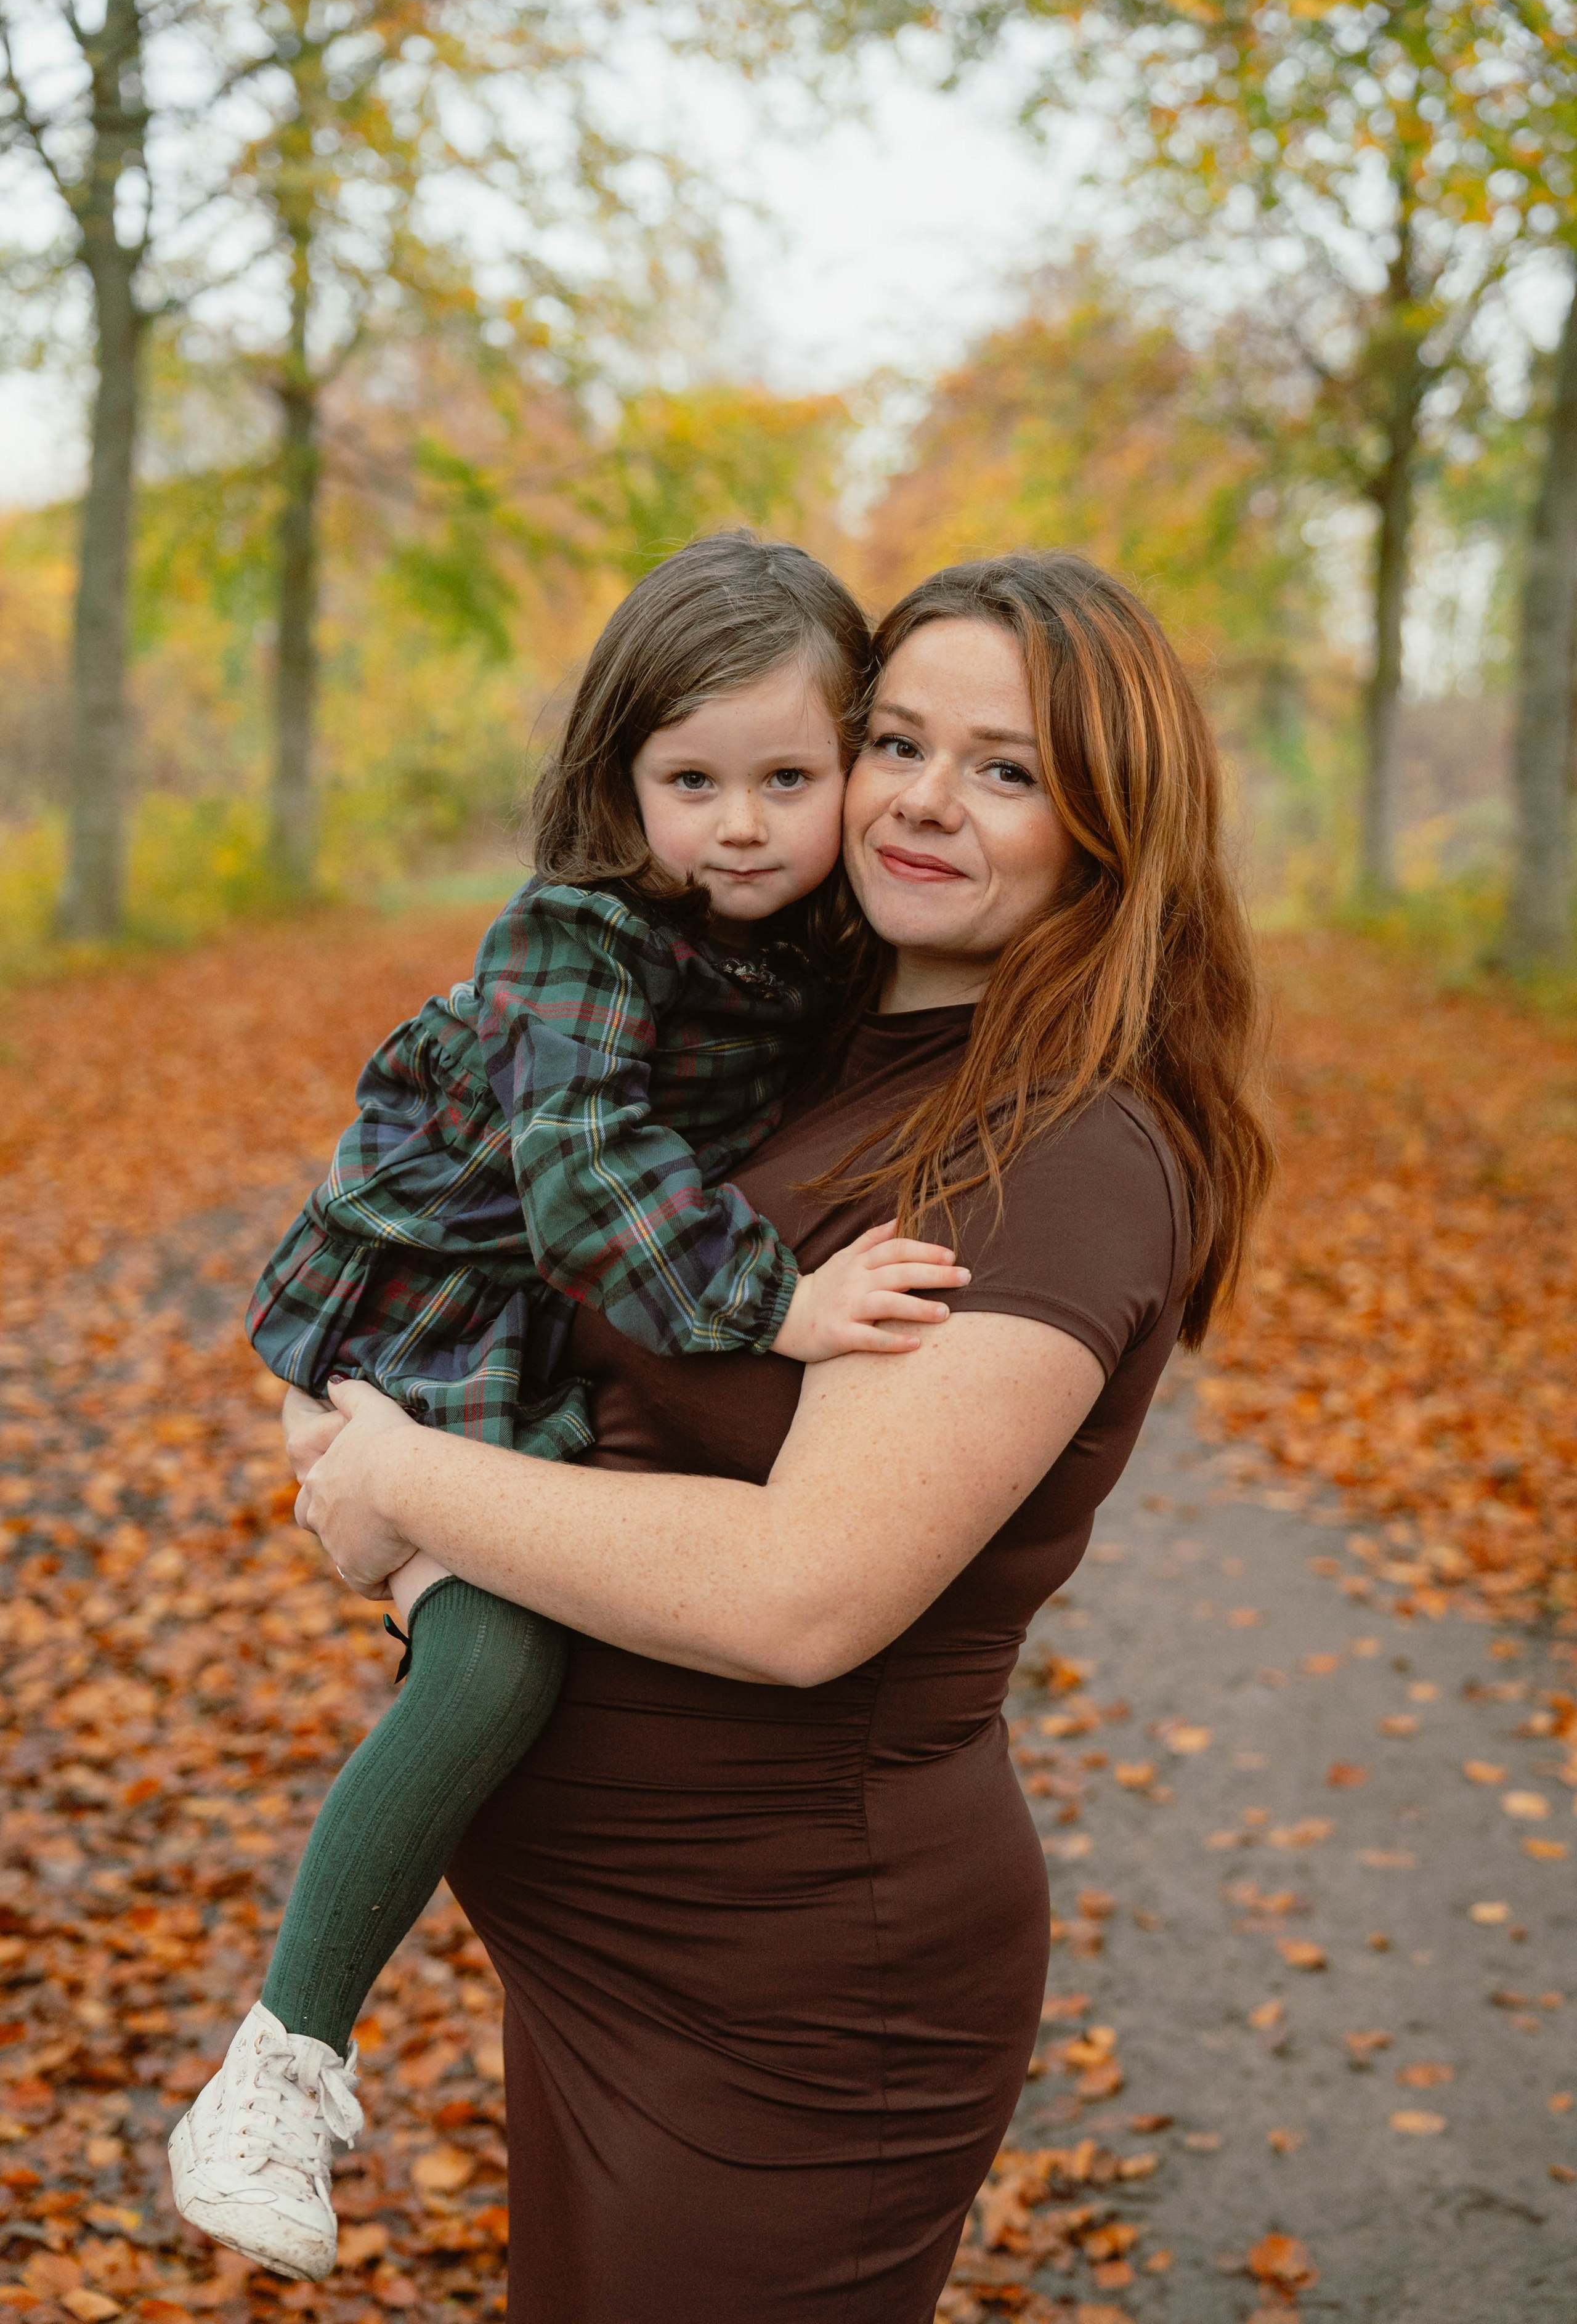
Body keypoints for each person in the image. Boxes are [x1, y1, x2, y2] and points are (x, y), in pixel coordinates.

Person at [290, 550, 1275, 2323]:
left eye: (1007, 767)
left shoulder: (1059, 1154)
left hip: (795, 2004)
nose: (921, 799)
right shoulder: (802, 1045)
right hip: (629, 1970)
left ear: (1110, 827)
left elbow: (802, 1594)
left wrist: (403, 1479)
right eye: (895, 740)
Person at [168, 534, 967, 2283]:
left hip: (555, 1323)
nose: (741, 825)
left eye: (788, 777)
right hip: (440, 1308)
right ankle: (281, 2057)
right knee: (501, 1652)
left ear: (850, 774)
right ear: (620, 781)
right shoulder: (578, 934)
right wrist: (783, 1303)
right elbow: (588, 1171)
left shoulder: (825, 950)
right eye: (693, 781)